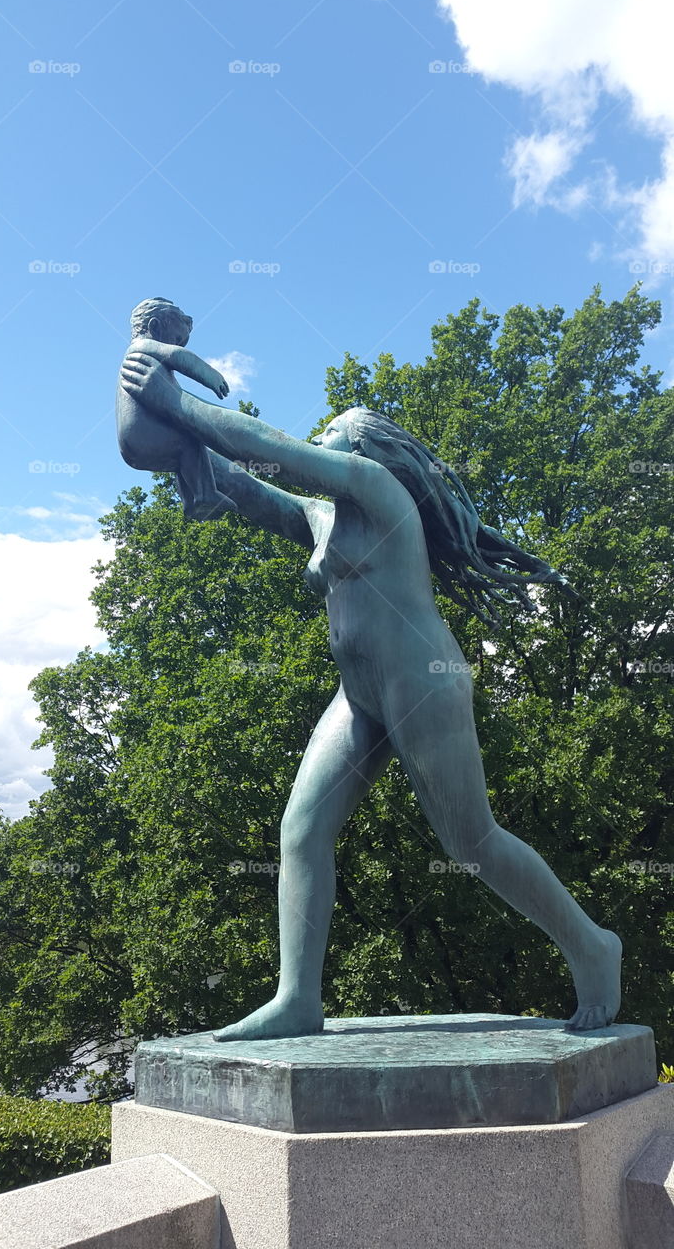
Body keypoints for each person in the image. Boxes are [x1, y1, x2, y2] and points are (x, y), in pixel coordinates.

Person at [120, 341, 623, 1040]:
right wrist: (178, 444)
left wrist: (177, 402)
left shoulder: (380, 491)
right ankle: (297, 997)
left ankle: (592, 946)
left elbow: (272, 448)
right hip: (357, 696)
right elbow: (247, 481)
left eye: (330, 436)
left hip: (423, 684)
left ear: (363, 451)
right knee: (300, 831)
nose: (318, 445)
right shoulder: (322, 521)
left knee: (469, 840)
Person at [117, 298, 235, 519]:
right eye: (177, 339)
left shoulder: (138, 356)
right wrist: (210, 375)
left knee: (181, 458)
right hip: (143, 436)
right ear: (154, 326)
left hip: (133, 445)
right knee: (191, 440)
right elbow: (178, 357)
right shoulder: (143, 346)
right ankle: (205, 494)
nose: (178, 345)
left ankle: (191, 502)